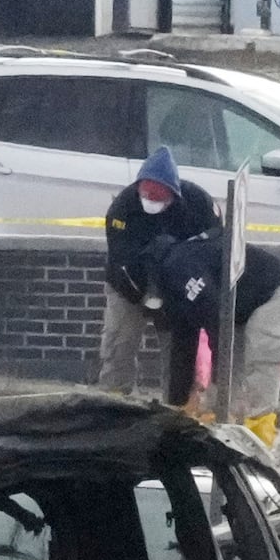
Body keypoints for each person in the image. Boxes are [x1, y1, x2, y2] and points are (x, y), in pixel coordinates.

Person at [153, 238, 280, 446]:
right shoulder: (174, 283)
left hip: (275, 290)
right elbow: (183, 345)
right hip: (244, 302)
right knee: (233, 368)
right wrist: (178, 404)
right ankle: (225, 431)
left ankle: (259, 436)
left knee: (261, 360)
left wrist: (216, 383)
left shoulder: (178, 266)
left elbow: (217, 321)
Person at [101, 146, 220, 396]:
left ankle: (176, 406)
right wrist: (144, 296)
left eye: (159, 198)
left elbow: (215, 240)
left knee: (179, 352)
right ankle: (114, 403)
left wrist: (176, 294)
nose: (151, 202)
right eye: (147, 195)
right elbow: (121, 263)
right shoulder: (122, 210)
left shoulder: (197, 203)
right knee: (119, 345)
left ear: (173, 195)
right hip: (128, 285)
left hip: (177, 288)